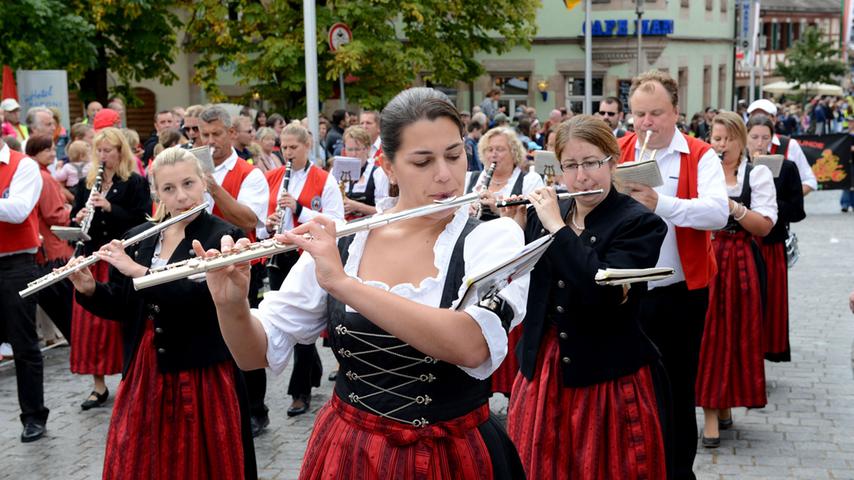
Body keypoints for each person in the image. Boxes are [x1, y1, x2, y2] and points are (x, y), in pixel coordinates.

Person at [199, 87, 529, 479]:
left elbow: (471, 345)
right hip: (350, 454)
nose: (445, 174)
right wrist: (231, 304)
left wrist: (344, 284)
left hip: (453, 456)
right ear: (388, 166)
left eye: (455, 156)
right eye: (423, 162)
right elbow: (254, 354)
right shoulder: (344, 242)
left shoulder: (494, 238)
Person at [67, 147, 257, 479]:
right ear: (157, 192)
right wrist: (89, 289)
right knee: (140, 461)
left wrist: (140, 273)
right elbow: (126, 304)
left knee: (200, 464)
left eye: (188, 184)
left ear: (203, 183)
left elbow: (201, 301)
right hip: (144, 369)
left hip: (201, 371)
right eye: (169, 189)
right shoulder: (140, 238)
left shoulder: (223, 236)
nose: (181, 196)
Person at [504, 115, 668, 479]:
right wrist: (506, 220)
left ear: (612, 161)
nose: (582, 177)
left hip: (606, 375)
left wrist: (557, 228)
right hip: (544, 367)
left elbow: (599, 289)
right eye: (571, 166)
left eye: (592, 163)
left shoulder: (639, 224)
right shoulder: (548, 213)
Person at [619, 70, 729, 480]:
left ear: (676, 112)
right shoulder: (620, 150)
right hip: (628, 290)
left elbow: (717, 211)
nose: (646, 123)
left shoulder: (700, 154)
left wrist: (660, 203)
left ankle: (680, 471)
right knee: (631, 388)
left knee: (679, 388)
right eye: (639, 114)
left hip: (680, 291)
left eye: (656, 114)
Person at [696, 111, 777, 447]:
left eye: (728, 139)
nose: (722, 145)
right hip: (706, 256)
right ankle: (712, 411)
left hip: (740, 259)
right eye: (716, 139)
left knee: (736, 335)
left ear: (742, 142)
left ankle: (724, 402)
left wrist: (733, 208)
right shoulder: (704, 172)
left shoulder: (756, 175)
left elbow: (765, 226)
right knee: (708, 335)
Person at [260, 123, 345, 421]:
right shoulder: (272, 178)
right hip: (279, 255)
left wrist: (299, 208)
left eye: (293, 148)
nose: (288, 153)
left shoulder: (324, 180)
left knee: (302, 324)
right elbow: (257, 221)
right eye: (283, 148)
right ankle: (312, 373)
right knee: (285, 316)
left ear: (306, 146)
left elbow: (336, 221)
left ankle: (300, 393)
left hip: (308, 255)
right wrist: (268, 223)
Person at [198, 105, 270, 435]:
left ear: (231, 133)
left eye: (216, 134)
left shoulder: (249, 173)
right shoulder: (193, 165)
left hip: (239, 267)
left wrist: (213, 188)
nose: (209, 141)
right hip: (201, 263)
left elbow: (249, 219)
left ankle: (256, 409)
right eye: (204, 134)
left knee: (243, 337)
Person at [70, 127, 152, 410]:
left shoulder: (134, 183)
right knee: (92, 327)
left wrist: (109, 208)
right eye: (100, 151)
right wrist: (78, 216)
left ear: (120, 152)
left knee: (119, 324)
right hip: (93, 256)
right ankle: (98, 385)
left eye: (109, 151)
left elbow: (141, 219)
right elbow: (77, 222)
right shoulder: (86, 182)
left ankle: (128, 378)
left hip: (121, 257)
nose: (103, 156)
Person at [0, 135, 49, 442]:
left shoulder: (23, 165)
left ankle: (33, 416)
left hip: (15, 264)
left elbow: (18, 210)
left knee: (23, 343)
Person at [746, 115, 805, 362]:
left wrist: (768, 201)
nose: (759, 143)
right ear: (746, 137)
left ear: (773, 141)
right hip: (745, 243)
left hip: (771, 244)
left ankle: (765, 352)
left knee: (770, 303)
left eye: (765, 138)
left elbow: (798, 211)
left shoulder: (787, 168)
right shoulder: (737, 167)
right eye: (754, 137)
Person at [26, 136, 74, 342]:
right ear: (36, 152)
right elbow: (54, 215)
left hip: (44, 250)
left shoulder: (35, 174)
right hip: (54, 251)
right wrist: (71, 213)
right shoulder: (42, 177)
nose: (53, 154)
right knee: (70, 315)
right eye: (48, 150)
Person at [468, 126, 545, 224]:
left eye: (499, 149)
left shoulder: (530, 180)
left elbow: (535, 223)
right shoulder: (470, 178)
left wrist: (498, 210)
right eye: (489, 149)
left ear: (514, 153)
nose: (493, 154)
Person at [747, 99, 818, 196]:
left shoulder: (789, 144)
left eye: (764, 116)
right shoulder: (740, 145)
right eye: (754, 117)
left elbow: (810, 181)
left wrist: (791, 200)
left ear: (774, 120)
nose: (760, 121)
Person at [340, 126, 383, 219]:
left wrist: (357, 207)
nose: (353, 154)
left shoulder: (378, 173)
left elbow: (385, 212)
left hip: (369, 229)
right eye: (350, 150)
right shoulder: (337, 172)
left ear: (367, 149)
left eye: (357, 149)